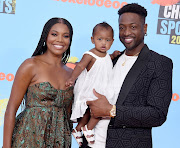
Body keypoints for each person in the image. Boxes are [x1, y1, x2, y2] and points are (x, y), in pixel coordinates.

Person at [86, 3, 173, 148]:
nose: (126, 33)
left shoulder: (159, 63)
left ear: (144, 28)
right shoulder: (110, 60)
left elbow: (157, 114)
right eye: (122, 27)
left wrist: (112, 111)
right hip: (92, 143)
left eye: (133, 27)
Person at [3, 17, 74, 148]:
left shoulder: (71, 73)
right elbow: (11, 110)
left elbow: (69, 115)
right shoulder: (30, 65)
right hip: (28, 139)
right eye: (54, 34)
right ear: (45, 37)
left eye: (65, 36)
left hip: (59, 141)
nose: (59, 40)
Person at [65, 22, 120, 147]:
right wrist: (72, 78)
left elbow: (105, 60)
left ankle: (78, 129)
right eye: (99, 39)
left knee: (90, 112)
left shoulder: (106, 55)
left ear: (112, 41)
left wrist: (113, 55)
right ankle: (88, 129)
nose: (103, 43)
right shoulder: (90, 54)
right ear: (92, 39)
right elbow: (80, 66)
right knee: (96, 111)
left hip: (100, 88)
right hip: (90, 87)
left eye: (107, 40)